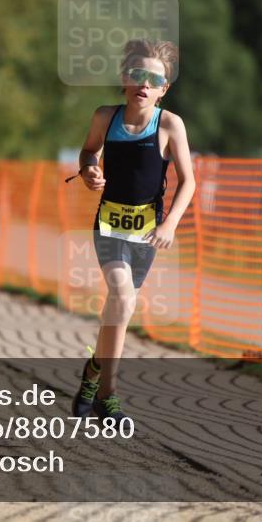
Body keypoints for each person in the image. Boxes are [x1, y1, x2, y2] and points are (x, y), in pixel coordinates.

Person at [68, 39, 195, 425]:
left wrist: (170, 224)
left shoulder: (170, 124)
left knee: (118, 309)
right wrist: (90, 171)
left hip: (146, 232)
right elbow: (89, 152)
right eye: (137, 74)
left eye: (153, 78)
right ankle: (109, 396)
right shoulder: (105, 117)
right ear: (125, 78)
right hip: (108, 225)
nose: (144, 83)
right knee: (122, 297)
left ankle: (94, 370)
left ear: (163, 88)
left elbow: (189, 181)